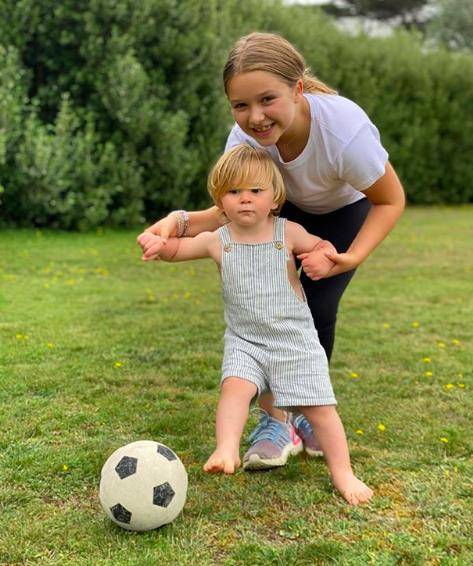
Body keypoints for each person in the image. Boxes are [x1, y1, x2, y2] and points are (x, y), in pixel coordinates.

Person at [137, 32, 405, 470]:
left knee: (316, 308)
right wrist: (178, 221)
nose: (255, 117)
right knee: (267, 309)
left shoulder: (344, 132)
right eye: (240, 105)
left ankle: (306, 407)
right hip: (281, 206)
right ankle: (276, 421)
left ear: (297, 89)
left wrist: (350, 257)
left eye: (267, 100)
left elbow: (389, 200)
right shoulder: (244, 141)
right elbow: (230, 210)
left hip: (343, 211)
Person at [138, 144, 373, 505]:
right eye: (234, 192)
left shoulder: (288, 232)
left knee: (321, 409)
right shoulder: (218, 240)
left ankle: (343, 473)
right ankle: (227, 449)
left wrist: (321, 258)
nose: (245, 200)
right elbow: (178, 249)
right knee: (234, 388)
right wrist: (159, 244)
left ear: (275, 198)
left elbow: (322, 245)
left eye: (255, 191)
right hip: (245, 340)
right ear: (220, 201)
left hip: (294, 340)